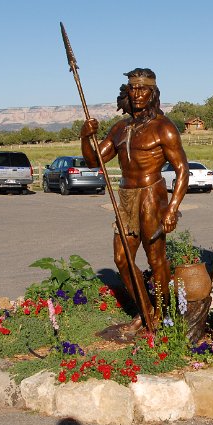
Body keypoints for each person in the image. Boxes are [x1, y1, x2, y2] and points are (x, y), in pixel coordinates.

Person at [80, 68, 189, 332]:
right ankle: (146, 310)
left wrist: (173, 208)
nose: (138, 94)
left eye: (143, 89)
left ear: (153, 93)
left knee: (156, 259)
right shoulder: (120, 129)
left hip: (153, 195)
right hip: (127, 197)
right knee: (122, 258)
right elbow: (94, 159)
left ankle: (163, 314)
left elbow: (182, 169)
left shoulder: (163, 128)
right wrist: (85, 136)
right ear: (127, 92)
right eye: (133, 88)